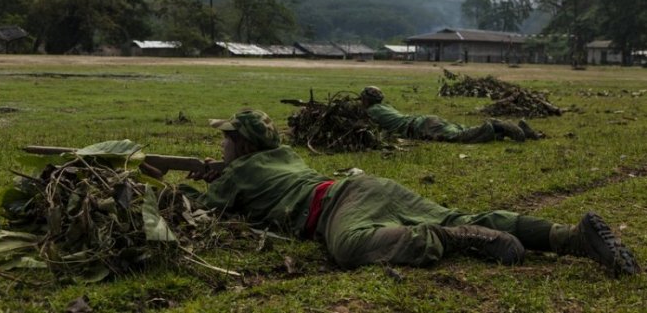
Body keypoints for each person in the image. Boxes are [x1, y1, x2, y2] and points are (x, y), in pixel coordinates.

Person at [181, 109, 639, 277]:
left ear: (240, 144)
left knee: (349, 247)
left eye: (226, 137)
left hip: (339, 205)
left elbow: (194, 210)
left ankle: (449, 239)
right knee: (464, 211)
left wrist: (197, 183)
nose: (221, 143)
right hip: (367, 186)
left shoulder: (236, 174)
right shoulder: (284, 155)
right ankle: (567, 237)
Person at [359, 86, 543, 143]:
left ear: (365, 101)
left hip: (418, 126)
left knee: (459, 136)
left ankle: (496, 125)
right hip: (424, 119)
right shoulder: (385, 107)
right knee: (464, 129)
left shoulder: (370, 112)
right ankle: (520, 129)